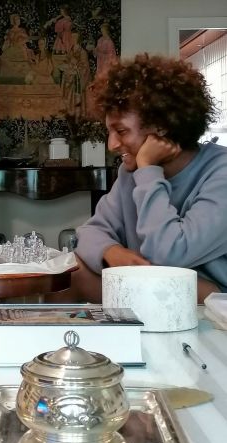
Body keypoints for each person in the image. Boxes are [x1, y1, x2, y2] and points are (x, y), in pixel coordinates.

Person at [66, 53, 226, 304]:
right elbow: (90, 232)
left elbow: (170, 256)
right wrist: (112, 252)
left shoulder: (220, 172)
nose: (112, 144)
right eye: (109, 131)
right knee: (71, 270)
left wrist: (148, 170)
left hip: (209, 301)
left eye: (121, 131)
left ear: (161, 127)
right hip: (151, 286)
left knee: (175, 282)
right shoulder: (130, 174)